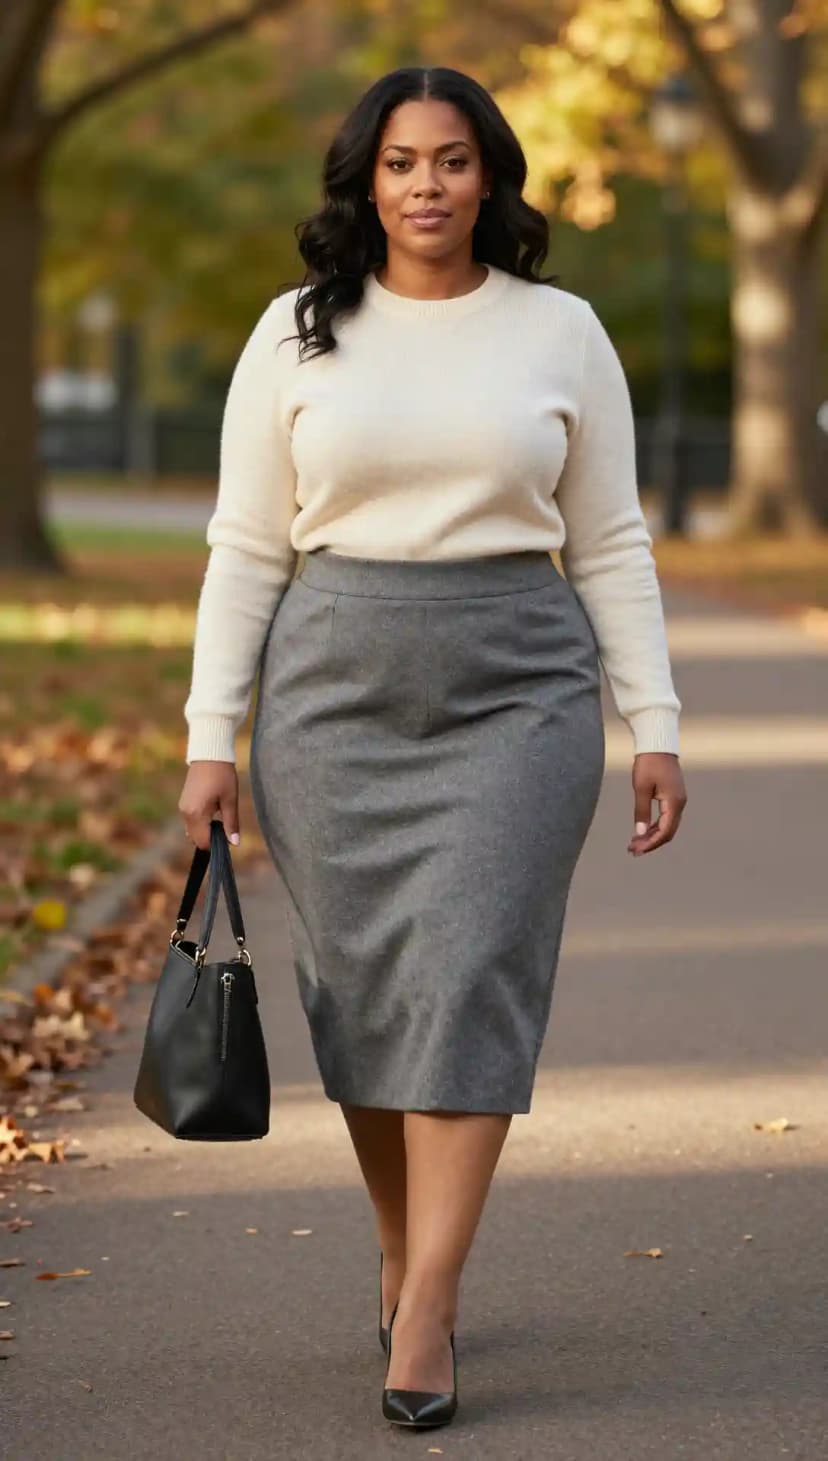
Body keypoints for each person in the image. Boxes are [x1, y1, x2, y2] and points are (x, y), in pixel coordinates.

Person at [178, 65, 687, 1431]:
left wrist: (656, 720)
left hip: (517, 687)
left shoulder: (562, 331)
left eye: (452, 161)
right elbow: (245, 546)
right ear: (364, 179)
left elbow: (614, 538)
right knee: (363, 995)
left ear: (491, 177)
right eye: (401, 162)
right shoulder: (293, 336)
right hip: (331, 693)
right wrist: (208, 735)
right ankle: (404, 1249)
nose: (426, 186)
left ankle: (430, 1301)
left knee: (469, 975)